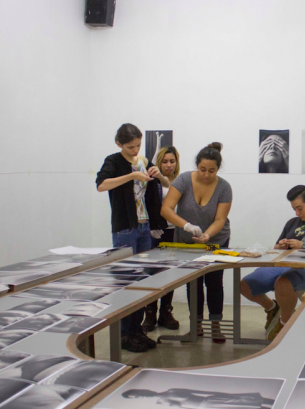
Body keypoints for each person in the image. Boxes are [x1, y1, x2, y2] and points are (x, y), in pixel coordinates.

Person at [96, 123, 168, 353]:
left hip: (145, 227)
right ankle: (124, 334)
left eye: (137, 145)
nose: (135, 150)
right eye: (130, 147)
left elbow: (166, 184)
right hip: (125, 227)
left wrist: (158, 175)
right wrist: (131, 176)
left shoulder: (144, 160)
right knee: (126, 281)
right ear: (119, 144)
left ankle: (135, 330)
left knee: (142, 281)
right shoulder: (113, 161)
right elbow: (101, 185)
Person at [240, 185, 305, 340]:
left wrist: (304, 247)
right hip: (284, 264)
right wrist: (280, 246)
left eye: (300, 208)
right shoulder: (292, 223)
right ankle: (272, 308)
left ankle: (285, 324)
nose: (297, 213)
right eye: (294, 209)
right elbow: (276, 249)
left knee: (283, 283)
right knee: (244, 285)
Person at [162, 143, 232, 344]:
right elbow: (166, 209)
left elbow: (220, 219)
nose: (207, 175)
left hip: (215, 240)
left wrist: (207, 235)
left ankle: (216, 327)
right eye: (202, 170)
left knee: (214, 282)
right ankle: (197, 327)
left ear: (217, 169)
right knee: (193, 282)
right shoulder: (183, 180)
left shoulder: (224, 187)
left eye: (212, 171)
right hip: (187, 241)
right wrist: (186, 226)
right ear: (196, 166)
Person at [143, 146, 181, 332]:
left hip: (174, 232)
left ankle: (166, 311)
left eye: (172, 161)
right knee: (152, 272)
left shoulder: (181, 181)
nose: (168, 165)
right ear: (158, 162)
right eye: (165, 161)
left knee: (169, 273)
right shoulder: (153, 180)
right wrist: (151, 225)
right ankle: (150, 311)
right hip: (155, 231)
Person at [121, 388, 275, 408]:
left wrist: (224, 394)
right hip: (204, 407)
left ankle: (277, 403)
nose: (142, 395)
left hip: (210, 398)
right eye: (138, 397)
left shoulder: (171, 390)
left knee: (244, 399)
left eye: (140, 392)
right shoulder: (161, 401)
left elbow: (198, 390)